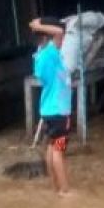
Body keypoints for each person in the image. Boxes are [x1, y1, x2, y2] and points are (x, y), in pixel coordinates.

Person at [29, 17, 72, 196]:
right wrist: (38, 25)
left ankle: (55, 187)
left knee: (51, 147)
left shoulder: (41, 55)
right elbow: (60, 32)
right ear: (48, 37)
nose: (62, 41)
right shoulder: (50, 53)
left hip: (49, 110)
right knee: (58, 150)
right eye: (58, 39)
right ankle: (64, 190)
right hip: (58, 111)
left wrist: (39, 26)